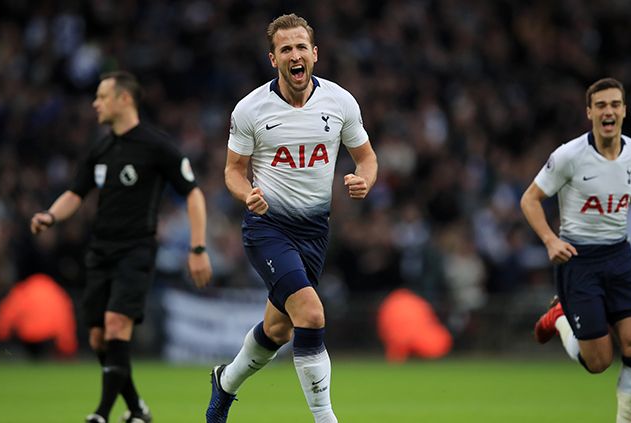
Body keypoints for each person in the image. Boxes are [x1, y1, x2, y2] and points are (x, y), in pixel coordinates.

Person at [206, 13, 377, 423]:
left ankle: (225, 382)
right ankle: (325, 419)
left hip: (316, 233)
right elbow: (232, 169)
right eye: (286, 49)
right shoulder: (251, 109)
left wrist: (364, 181)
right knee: (312, 314)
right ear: (273, 59)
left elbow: (366, 158)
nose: (295, 55)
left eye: (301, 47)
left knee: (279, 330)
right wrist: (246, 193)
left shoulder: (339, 102)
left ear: (315, 54)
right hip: (268, 229)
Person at [31, 71, 213, 423]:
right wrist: (50, 216)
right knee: (99, 339)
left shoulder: (156, 146)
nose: (95, 103)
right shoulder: (101, 148)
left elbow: (193, 193)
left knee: (116, 325)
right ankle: (137, 409)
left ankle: (101, 414)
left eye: (102, 96)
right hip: (100, 250)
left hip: (137, 249)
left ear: (124, 99)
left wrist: (198, 248)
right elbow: (76, 193)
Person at [520, 77, 631, 423]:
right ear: (590, 113)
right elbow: (530, 199)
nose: (608, 111)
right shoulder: (568, 156)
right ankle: (561, 318)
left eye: (614, 104)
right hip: (578, 259)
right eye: (601, 105)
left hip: (619, 255)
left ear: (624, 111)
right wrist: (551, 240)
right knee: (598, 362)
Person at [0, 273, 78, 359]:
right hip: (48, 336)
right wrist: (67, 345)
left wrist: (1, 335)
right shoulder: (57, 293)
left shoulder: (23, 290)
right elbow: (63, 318)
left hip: (27, 337)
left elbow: (9, 312)